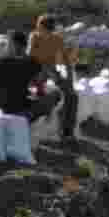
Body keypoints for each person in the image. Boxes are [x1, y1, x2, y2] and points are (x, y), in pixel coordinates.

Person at [27, 15, 79, 144]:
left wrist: (69, 80)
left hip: (50, 70)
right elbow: (29, 58)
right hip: (35, 70)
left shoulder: (57, 39)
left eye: (40, 27)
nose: (37, 29)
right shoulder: (35, 37)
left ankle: (67, 132)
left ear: (44, 28)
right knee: (40, 95)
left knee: (72, 95)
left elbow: (67, 61)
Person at [0, 30, 58, 124]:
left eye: (8, 44)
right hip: (20, 108)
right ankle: (31, 115)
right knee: (55, 94)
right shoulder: (31, 62)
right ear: (24, 46)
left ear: (12, 44)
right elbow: (40, 87)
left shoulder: (0, 61)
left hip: (3, 107)